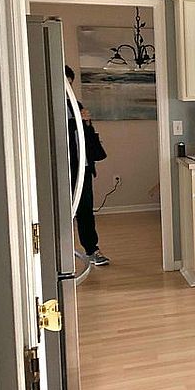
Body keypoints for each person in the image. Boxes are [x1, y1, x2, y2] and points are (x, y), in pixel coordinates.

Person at [66, 65, 110, 266]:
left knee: (85, 210)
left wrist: (87, 122)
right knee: (63, 212)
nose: (67, 86)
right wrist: (77, 121)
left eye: (69, 83)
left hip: (83, 167)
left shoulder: (75, 104)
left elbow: (86, 134)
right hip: (63, 169)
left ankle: (92, 250)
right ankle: (60, 255)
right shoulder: (45, 105)